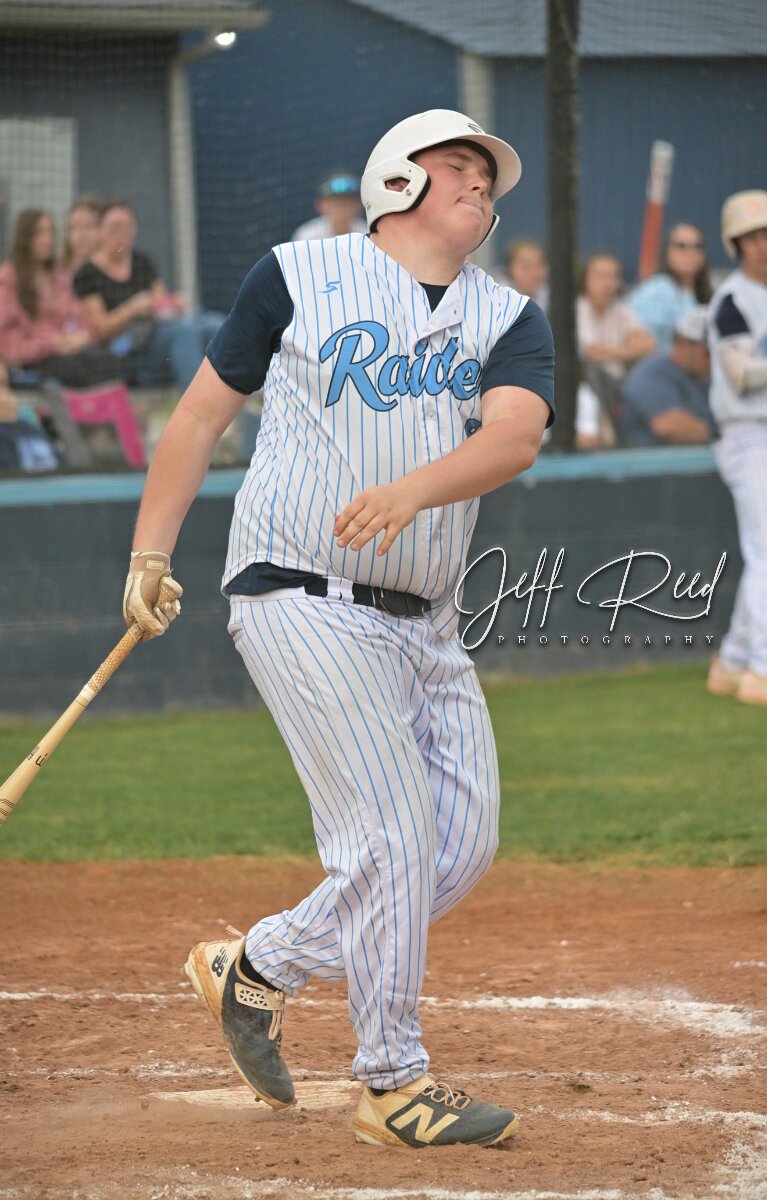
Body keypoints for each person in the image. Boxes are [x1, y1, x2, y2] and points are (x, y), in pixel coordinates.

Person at [121, 109, 554, 1148]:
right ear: (396, 181)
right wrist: (148, 554)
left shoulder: (508, 315)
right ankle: (391, 1082)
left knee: (458, 848)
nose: (481, 183)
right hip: (298, 589)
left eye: (488, 175)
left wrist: (413, 489)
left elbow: (514, 437)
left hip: (428, 621)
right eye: (459, 165)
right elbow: (200, 416)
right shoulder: (296, 275)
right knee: (391, 838)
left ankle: (258, 965)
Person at [706, 190, 767, 707]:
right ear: (736, 244)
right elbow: (740, 374)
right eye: (752, 237)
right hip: (749, 432)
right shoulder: (732, 300)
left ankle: (734, 662)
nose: (763, 245)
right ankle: (764, 669)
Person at [73, 199, 224, 393]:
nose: (121, 234)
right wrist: (132, 309)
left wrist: (172, 304)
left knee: (214, 324)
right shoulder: (87, 274)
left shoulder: (142, 261)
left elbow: (160, 302)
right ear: (101, 230)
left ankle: (251, 393)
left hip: (156, 333)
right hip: (125, 351)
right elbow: (101, 330)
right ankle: (200, 405)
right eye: (114, 228)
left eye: (127, 227)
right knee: (184, 333)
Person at [0, 209, 120, 388]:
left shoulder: (60, 276)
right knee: (77, 371)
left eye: (50, 232)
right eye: (40, 233)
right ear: (25, 237)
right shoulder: (8, 279)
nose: (48, 240)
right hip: (33, 359)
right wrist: (49, 344)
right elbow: (6, 340)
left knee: (107, 360)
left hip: (68, 349)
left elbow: (79, 316)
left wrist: (82, 336)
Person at [575, 252, 656, 448]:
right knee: (593, 370)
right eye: (600, 276)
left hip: (620, 381)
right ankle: (607, 432)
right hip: (585, 384)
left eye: (612, 277)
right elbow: (592, 354)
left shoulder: (620, 308)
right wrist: (627, 349)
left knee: (648, 370)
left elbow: (649, 345)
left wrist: (612, 353)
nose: (607, 284)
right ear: (585, 280)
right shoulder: (578, 308)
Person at [621, 307, 715, 446]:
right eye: (709, 352)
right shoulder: (653, 373)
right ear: (682, 345)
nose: (715, 359)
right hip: (647, 458)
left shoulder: (709, 379)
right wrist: (724, 433)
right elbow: (669, 427)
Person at [628, 223, 712, 353]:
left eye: (697, 246)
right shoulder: (655, 290)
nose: (690, 253)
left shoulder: (712, 292)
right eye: (681, 246)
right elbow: (639, 342)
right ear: (666, 252)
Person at [291, 172, 368, 241]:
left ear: (359, 205)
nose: (342, 209)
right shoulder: (307, 236)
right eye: (336, 203)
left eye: (348, 203)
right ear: (320, 205)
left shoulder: (368, 234)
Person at [61, 195, 104, 275]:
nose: (82, 234)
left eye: (89, 225)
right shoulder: (56, 274)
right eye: (75, 227)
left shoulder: (115, 272)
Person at [504, 238, 549, 311]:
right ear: (509, 270)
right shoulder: (497, 298)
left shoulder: (552, 298)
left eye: (539, 266)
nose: (535, 273)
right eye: (526, 266)